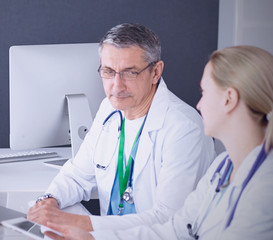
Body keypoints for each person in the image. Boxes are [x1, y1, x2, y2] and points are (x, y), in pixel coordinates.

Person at [44, 45, 273, 239]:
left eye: (204, 92)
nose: (199, 105)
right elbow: (176, 228)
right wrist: (91, 235)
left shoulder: (266, 185)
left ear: (229, 99)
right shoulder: (223, 166)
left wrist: (88, 229)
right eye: (109, 71)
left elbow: (168, 221)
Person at [27, 23, 215, 232]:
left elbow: (168, 219)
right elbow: (77, 175)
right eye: (108, 71)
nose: (116, 86)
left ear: (156, 72)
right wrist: (50, 201)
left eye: (130, 73)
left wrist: (80, 225)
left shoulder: (184, 128)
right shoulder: (109, 109)